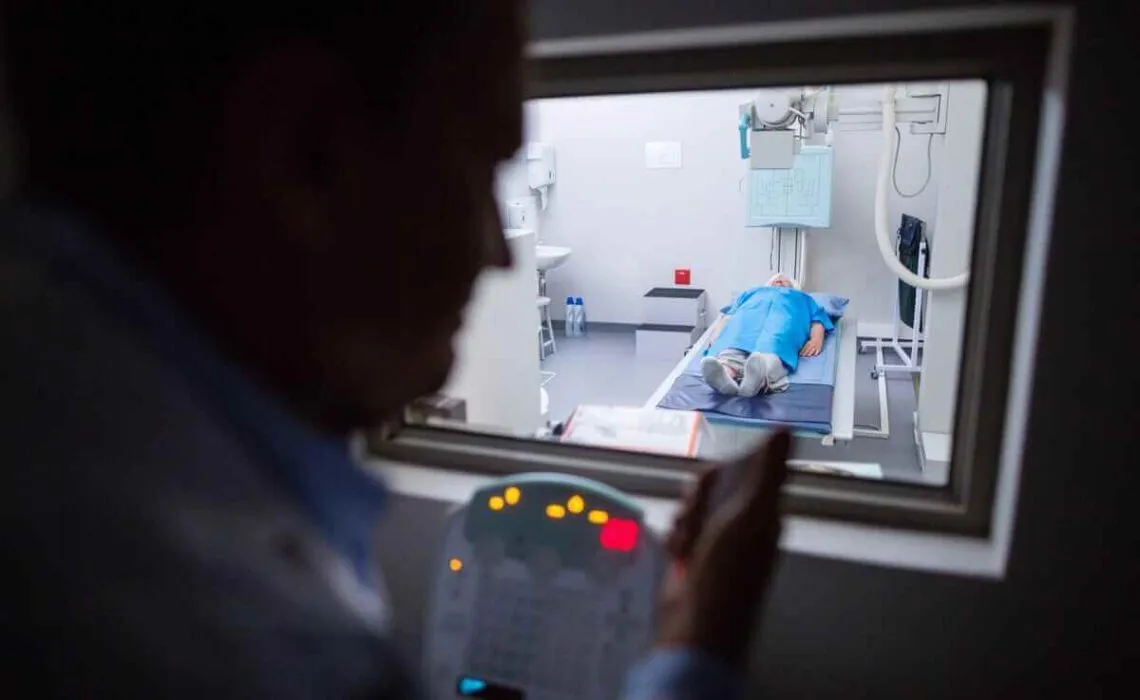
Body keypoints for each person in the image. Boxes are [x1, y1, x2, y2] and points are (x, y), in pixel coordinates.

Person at [0, 2, 789, 698]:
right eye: (479, 164)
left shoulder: (52, 404)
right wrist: (699, 654)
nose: (498, 251)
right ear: (307, 152)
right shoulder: (259, 647)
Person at [700, 273, 835, 396]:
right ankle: (725, 376)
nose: (779, 281)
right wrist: (717, 334)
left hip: (783, 321)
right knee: (734, 344)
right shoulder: (752, 292)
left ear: (793, 287)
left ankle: (758, 377)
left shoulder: (803, 298)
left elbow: (818, 320)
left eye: (784, 281)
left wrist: (816, 338)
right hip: (747, 322)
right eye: (776, 280)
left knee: (774, 346)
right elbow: (728, 316)